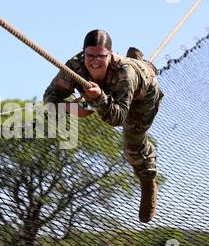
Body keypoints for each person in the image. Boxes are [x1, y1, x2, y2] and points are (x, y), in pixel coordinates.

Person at [43, 29, 164, 223]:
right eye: (90, 56)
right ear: (83, 54)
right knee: (88, 98)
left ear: (110, 54)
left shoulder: (126, 73)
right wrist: (69, 108)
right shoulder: (75, 66)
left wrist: (99, 98)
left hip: (142, 97)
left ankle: (148, 178)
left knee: (133, 143)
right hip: (107, 91)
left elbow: (117, 119)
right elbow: (49, 99)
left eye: (101, 56)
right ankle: (134, 61)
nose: (95, 61)